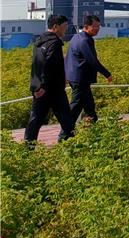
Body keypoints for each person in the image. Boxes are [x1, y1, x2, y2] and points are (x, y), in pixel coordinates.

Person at [25, 15, 76, 143]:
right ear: (55, 26)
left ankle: (27, 147)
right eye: (65, 26)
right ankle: (71, 146)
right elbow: (49, 65)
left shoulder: (39, 41)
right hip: (52, 88)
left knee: (35, 119)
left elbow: (37, 64)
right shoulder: (54, 43)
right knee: (66, 120)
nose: (66, 28)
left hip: (39, 86)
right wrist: (44, 86)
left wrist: (37, 86)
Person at [65, 15, 113, 124]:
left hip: (76, 77)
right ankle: (65, 131)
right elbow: (93, 61)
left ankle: (93, 126)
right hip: (80, 79)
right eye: (95, 26)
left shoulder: (76, 37)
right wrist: (107, 74)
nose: (98, 29)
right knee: (75, 107)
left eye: (99, 26)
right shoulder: (85, 40)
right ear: (86, 26)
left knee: (89, 106)